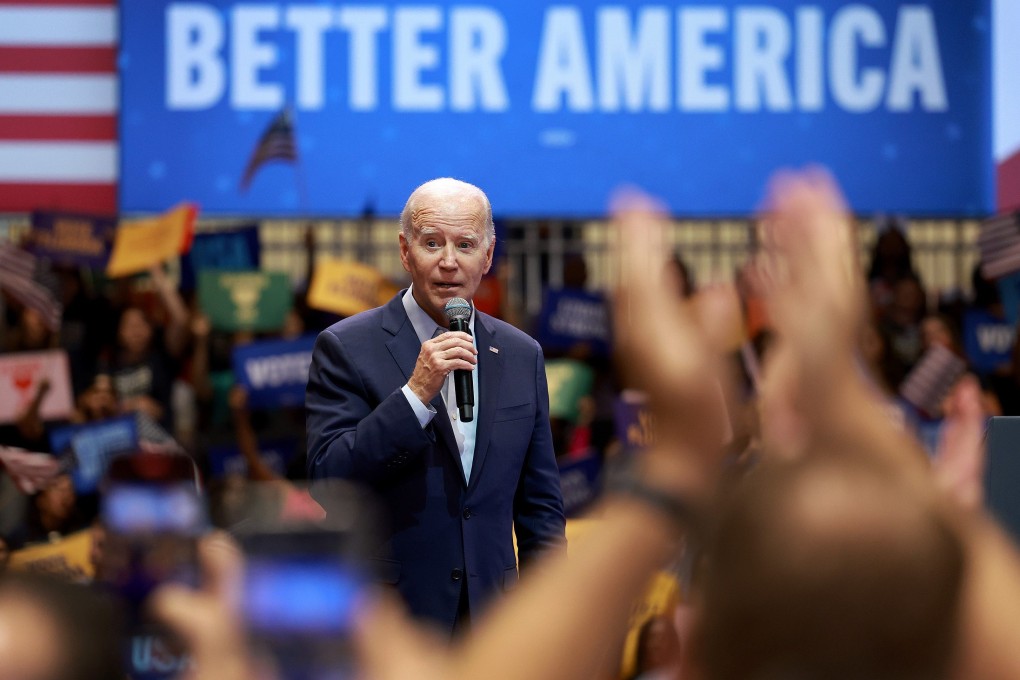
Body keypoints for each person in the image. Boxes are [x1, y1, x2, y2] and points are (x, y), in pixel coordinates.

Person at [305, 177, 566, 634]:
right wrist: (415, 396)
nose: (449, 262)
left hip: (496, 626)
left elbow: (540, 509)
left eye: (465, 244)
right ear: (405, 252)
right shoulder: (346, 346)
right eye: (432, 243)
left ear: (487, 256)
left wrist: (551, 619)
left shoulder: (523, 355)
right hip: (391, 623)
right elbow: (329, 479)